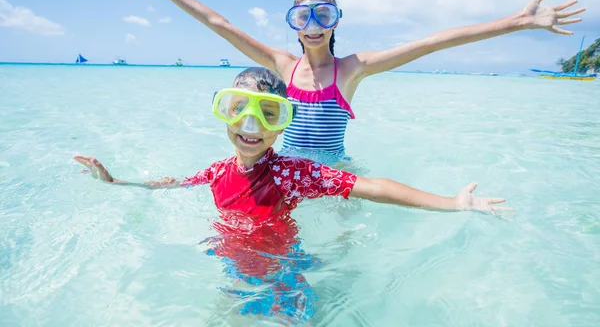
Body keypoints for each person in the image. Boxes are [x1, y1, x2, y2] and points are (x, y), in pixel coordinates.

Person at [74, 67, 511, 322]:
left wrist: (454, 203)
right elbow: (170, 184)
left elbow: (373, 188)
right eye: (238, 110)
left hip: (283, 276)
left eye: (267, 114)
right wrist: (115, 184)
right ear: (224, 114)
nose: (250, 125)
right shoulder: (216, 170)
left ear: (283, 122)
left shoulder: (291, 173)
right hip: (232, 269)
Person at [127, 0, 585, 159]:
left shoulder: (352, 69)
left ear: (334, 21)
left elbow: (434, 41)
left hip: (336, 175)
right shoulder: (281, 65)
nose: (312, 23)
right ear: (292, 22)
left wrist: (517, 22)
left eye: (322, 13)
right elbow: (220, 24)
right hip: (283, 169)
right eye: (302, 14)